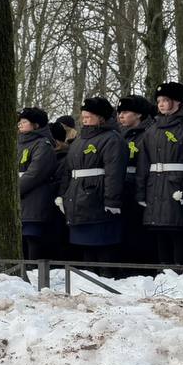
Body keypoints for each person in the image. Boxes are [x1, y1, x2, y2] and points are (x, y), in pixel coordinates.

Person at [138, 81, 183, 266]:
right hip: (154, 187)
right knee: (159, 234)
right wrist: (140, 192)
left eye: (165, 100)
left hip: (176, 186)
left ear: (177, 102)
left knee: (178, 234)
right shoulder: (151, 130)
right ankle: (163, 272)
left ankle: (180, 273)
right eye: (159, 100)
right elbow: (143, 164)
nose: (160, 104)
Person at [57, 97, 127, 264]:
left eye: (89, 116)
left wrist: (112, 200)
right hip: (78, 197)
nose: (84, 119)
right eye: (83, 116)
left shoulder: (112, 139)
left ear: (101, 117)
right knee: (86, 249)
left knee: (102, 246)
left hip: (97, 198)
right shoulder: (79, 140)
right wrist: (62, 194)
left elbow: (114, 173)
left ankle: (105, 275)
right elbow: (68, 171)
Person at [115, 95, 153, 268]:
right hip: (122, 186)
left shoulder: (148, 134)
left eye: (125, 112)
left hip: (140, 186)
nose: (121, 116)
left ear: (138, 114)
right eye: (119, 112)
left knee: (137, 231)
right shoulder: (118, 135)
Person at [17, 107, 59, 261]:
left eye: (24, 121)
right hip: (21, 198)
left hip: (35, 199)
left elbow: (35, 173)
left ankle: (34, 269)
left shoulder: (43, 145)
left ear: (36, 125)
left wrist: (14, 190)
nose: (20, 124)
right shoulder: (19, 144)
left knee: (32, 238)